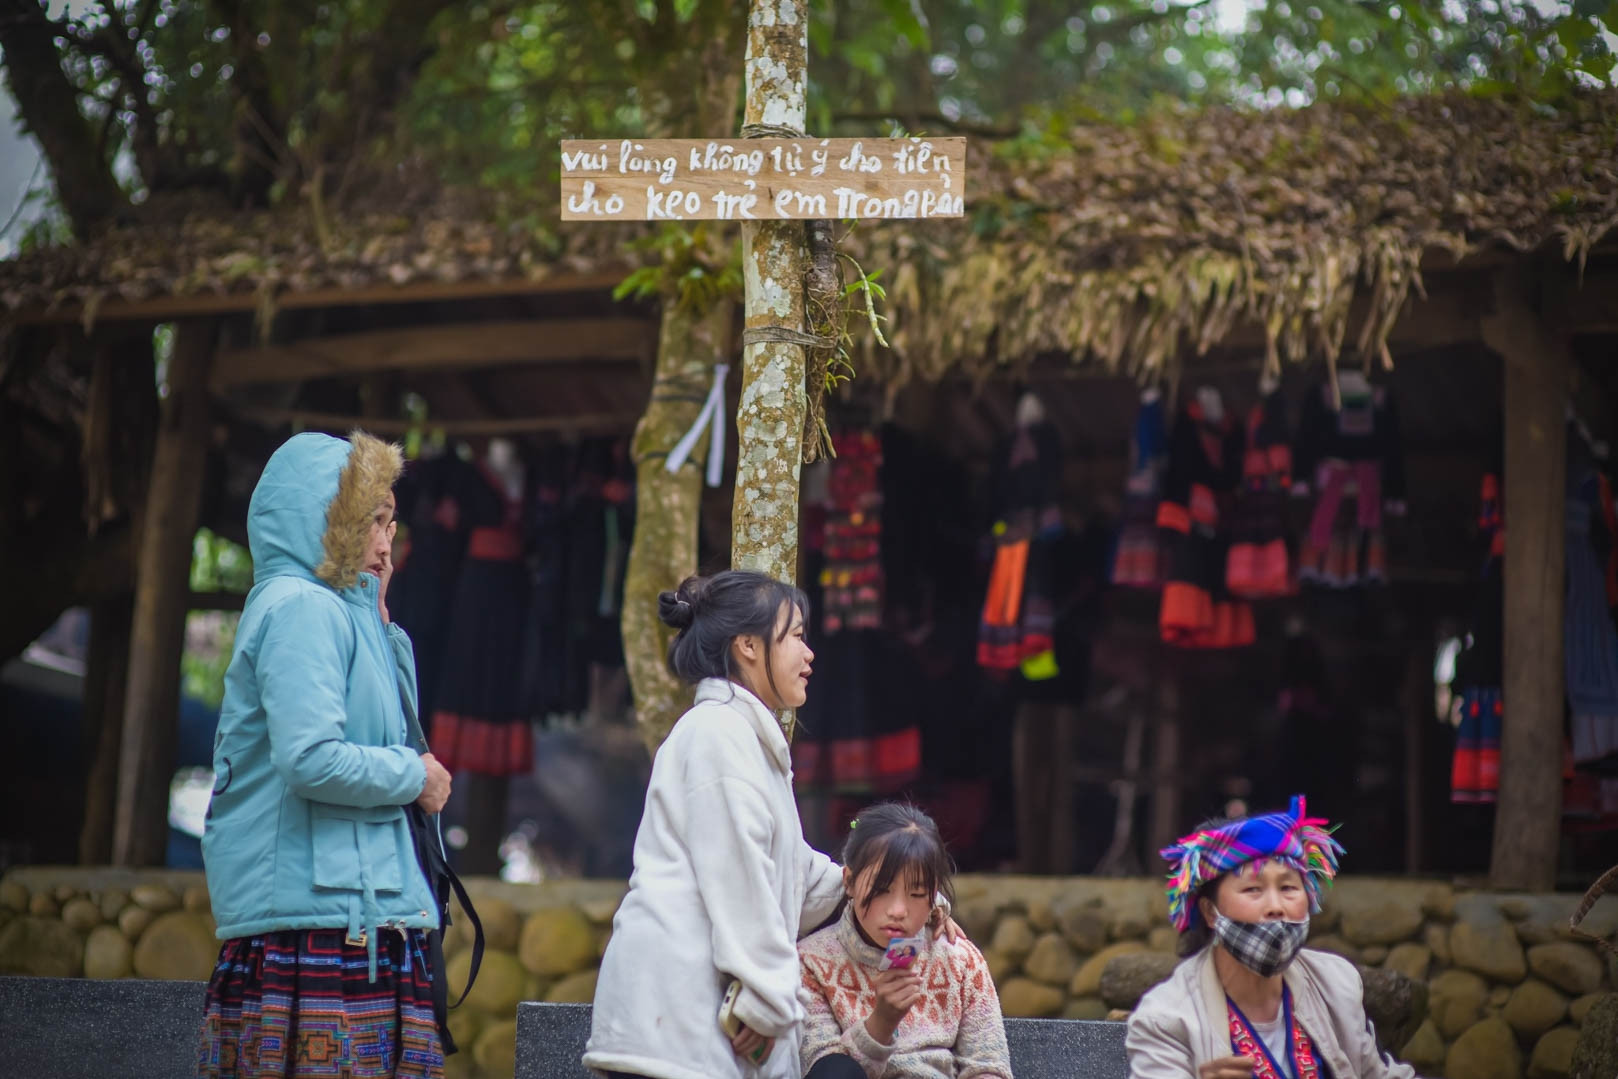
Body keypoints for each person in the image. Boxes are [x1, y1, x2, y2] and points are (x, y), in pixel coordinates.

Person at [585, 571, 961, 1079]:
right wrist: (765, 1002)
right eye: (797, 636)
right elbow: (741, 878)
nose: (809, 656)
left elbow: (801, 876)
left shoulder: (744, 739)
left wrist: (910, 895)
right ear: (747, 646)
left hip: (688, 1028)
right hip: (671, 1024)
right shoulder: (718, 735)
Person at [197, 430, 454, 1079]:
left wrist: (378, 612)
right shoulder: (301, 608)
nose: (384, 542)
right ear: (322, 518)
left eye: (390, 523)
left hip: (349, 916)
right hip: (314, 926)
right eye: (371, 521)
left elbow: (391, 728)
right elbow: (311, 757)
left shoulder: (339, 613)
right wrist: (412, 777)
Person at [1127, 797, 1417, 1079]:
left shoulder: (1336, 983)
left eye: (1289, 887)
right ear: (1210, 912)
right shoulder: (1165, 1019)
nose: (1276, 907)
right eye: (1253, 889)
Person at [796, 803, 1012, 1079]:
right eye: (882, 890)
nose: (898, 910)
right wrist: (881, 1023)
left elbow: (987, 1066)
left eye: (917, 893)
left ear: (934, 894)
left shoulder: (960, 960)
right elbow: (821, 1069)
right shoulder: (810, 963)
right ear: (849, 882)